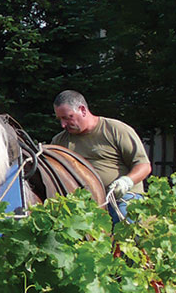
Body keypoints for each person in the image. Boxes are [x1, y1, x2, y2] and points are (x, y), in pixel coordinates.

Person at [51, 90, 151, 220]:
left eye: (67, 117)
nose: (63, 124)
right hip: (82, 204)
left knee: (127, 228)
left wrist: (126, 182)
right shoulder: (59, 141)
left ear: (82, 110)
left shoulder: (115, 130)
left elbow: (143, 165)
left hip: (121, 198)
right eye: (60, 119)